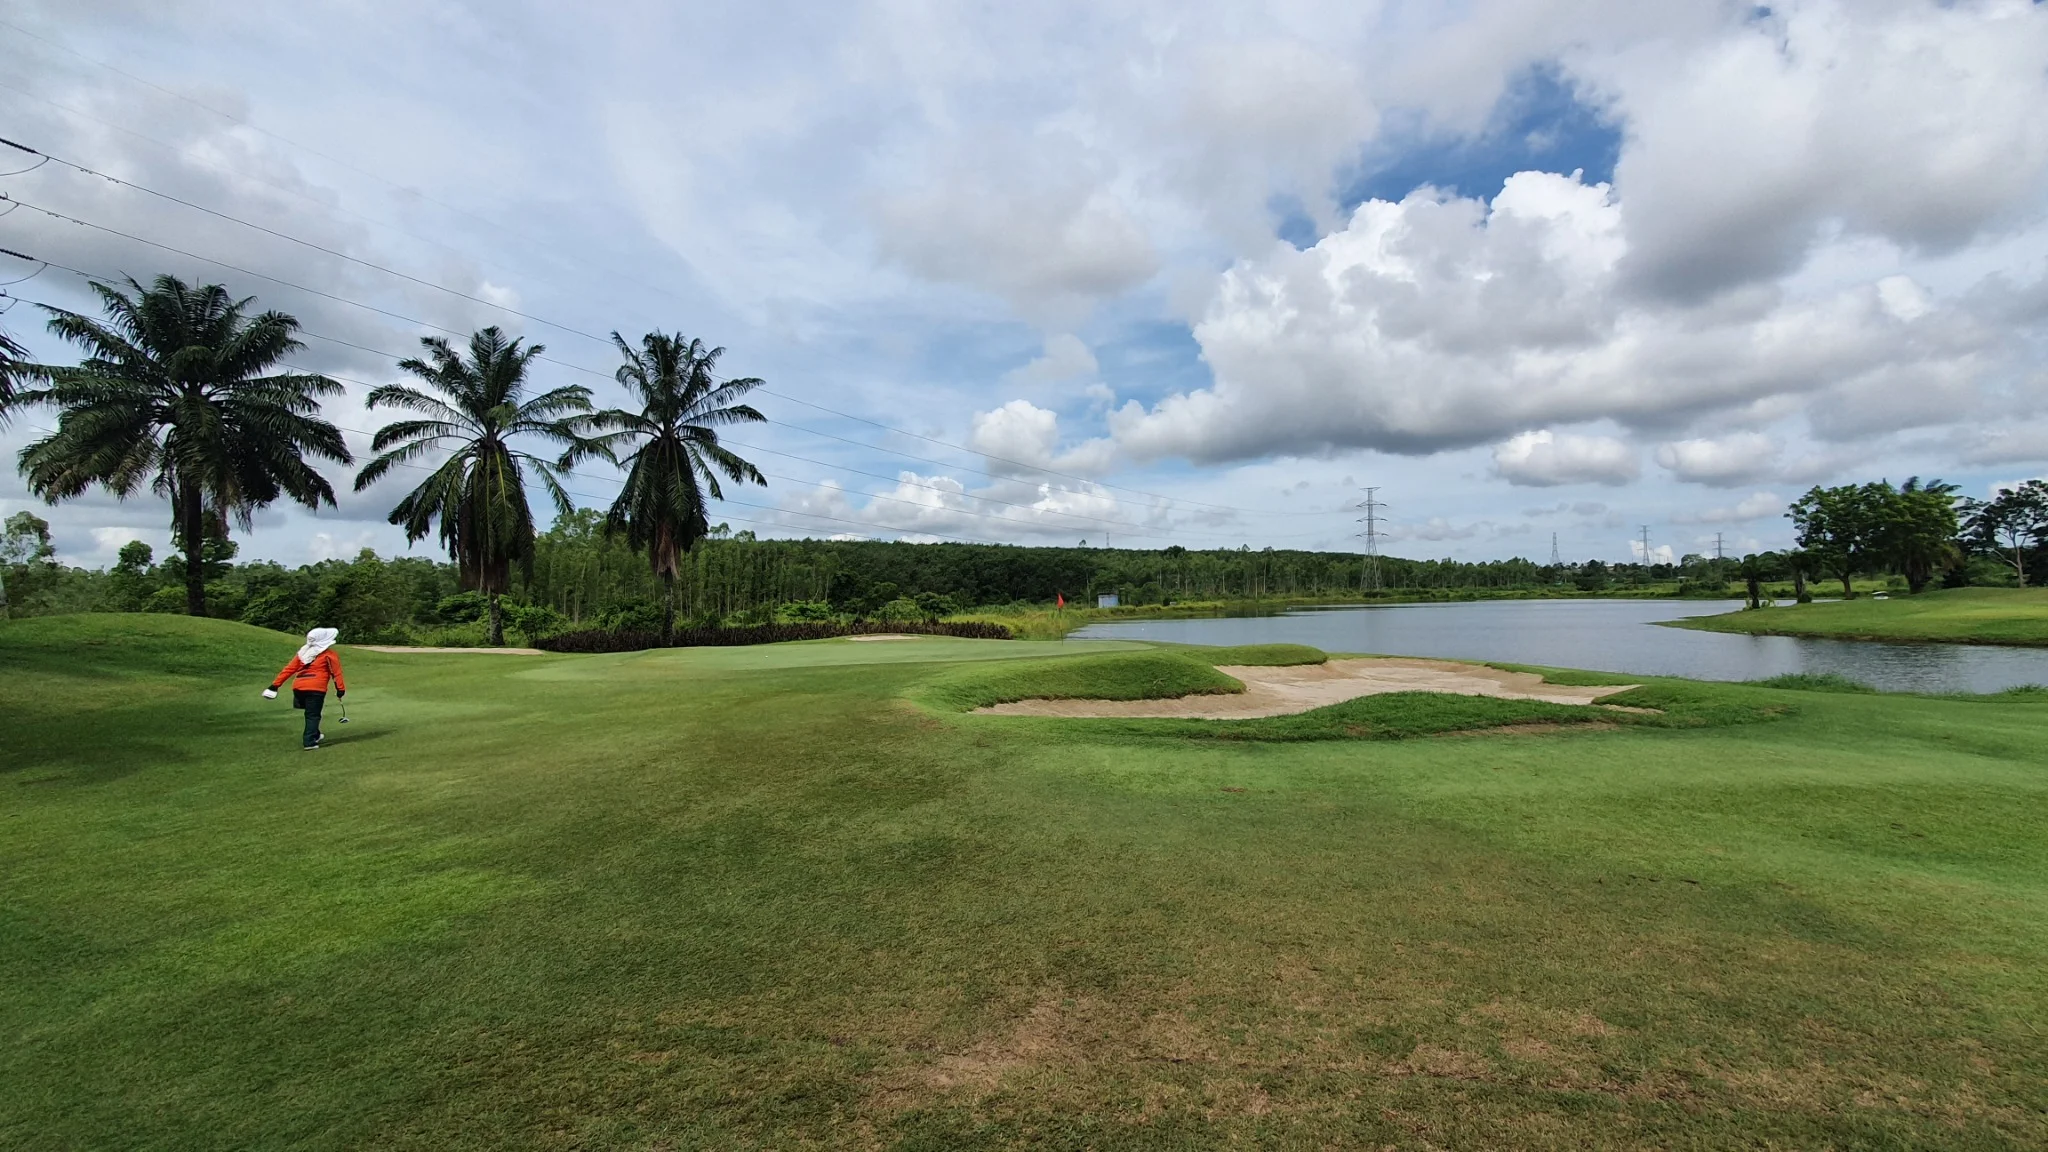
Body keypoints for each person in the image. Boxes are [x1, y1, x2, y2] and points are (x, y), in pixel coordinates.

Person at [264, 627, 346, 750]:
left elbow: (289, 669)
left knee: (310, 713)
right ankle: (310, 742)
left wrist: (275, 685)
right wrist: (340, 689)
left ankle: (315, 734)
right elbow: (336, 673)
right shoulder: (329, 655)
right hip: (316, 688)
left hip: (298, 688)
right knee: (313, 715)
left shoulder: (303, 653)